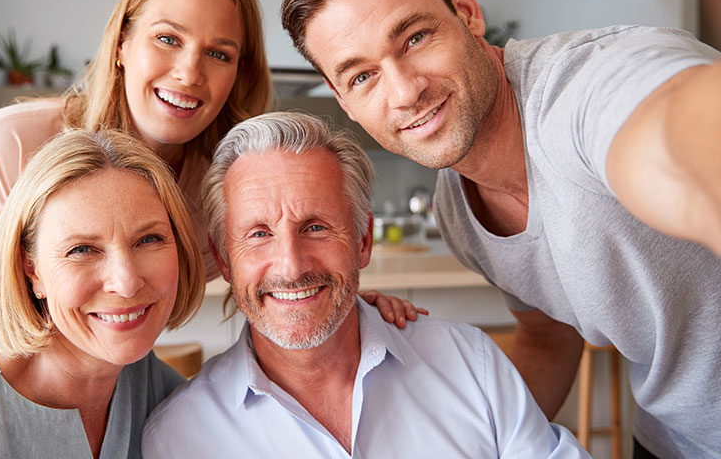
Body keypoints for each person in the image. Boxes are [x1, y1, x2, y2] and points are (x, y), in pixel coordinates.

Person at [0, 0, 416, 406]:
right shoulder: (14, 146)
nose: (189, 71)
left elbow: (271, 272)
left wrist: (332, 302)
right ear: (121, 45)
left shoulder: (213, 193)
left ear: (237, 75)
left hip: (86, 404)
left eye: (218, 53)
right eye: (167, 38)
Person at [279, 0, 721, 458]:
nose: (405, 91)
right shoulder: (457, 211)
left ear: (465, 10)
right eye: (361, 76)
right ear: (342, 99)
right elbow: (547, 335)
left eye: (415, 38)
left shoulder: (580, 91)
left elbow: (672, 125)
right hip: (671, 441)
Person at [142, 112, 589, 458]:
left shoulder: (471, 367)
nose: (292, 266)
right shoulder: (179, 436)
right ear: (224, 258)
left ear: (362, 241)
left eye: (316, 227)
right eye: (258, 234)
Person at [0, 128, 204, 458]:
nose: (126, 282)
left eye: (149, 239)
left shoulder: (168, 398)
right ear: (32, 270)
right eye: (81, 249)